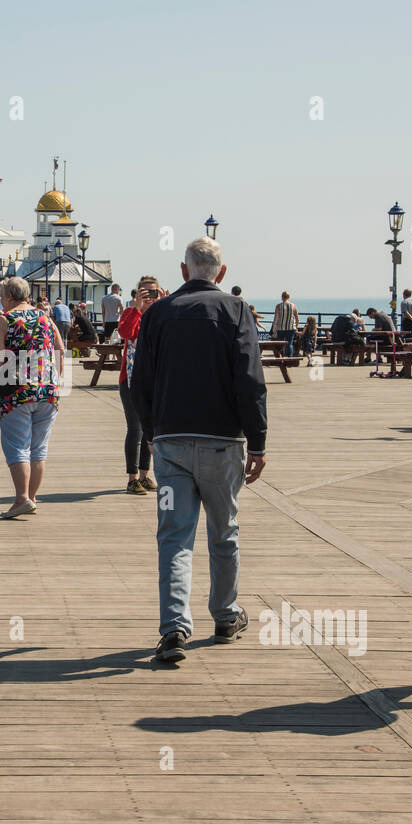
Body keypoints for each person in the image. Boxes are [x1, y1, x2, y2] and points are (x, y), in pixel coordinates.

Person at [131, 237, 266, 664]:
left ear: (184, 271)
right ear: (221, 273)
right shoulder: (236, 310)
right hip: (222, 444)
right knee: (224, 531)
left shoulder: (159, 315)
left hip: (170, 446)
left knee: (174, 535)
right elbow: (250, 379)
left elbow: (140, 384)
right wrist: (258, 441)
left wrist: (153, 432)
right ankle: (226, 615)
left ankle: (174, 628)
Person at [0, 276, 64, 518]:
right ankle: (32, 497)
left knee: (17, 446)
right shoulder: (45, 317)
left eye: (2, 296)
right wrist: (54, 378)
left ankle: (21, 498)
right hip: (48, 390)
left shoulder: (4, 319)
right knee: (38, 449)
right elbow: (61, 349)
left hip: (16, 390)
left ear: (9, 296)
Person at [117, 276, 162, 495]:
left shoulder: (162, 314)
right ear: (136, 293)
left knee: (149, 430)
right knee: (135, 428)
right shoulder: (130, 312)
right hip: (131, 379)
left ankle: (145, 474)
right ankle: (132, 478)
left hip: (154, 380)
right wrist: (137, 308)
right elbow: (126, 333)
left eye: (152, 292)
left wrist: (167, 303)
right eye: (144, 292)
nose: (148, 297)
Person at [271, 291, 299, 357]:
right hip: (291, 328)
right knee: (289, 344)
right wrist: (296, 326)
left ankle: (281, 357)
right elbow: (297, 318)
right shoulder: (293, 306)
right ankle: (290, 358)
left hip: (280, 328)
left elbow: (276, 318)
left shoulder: (278, 306)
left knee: (280, 344)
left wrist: (274, 328)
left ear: (282, 297)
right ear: (288, 297)